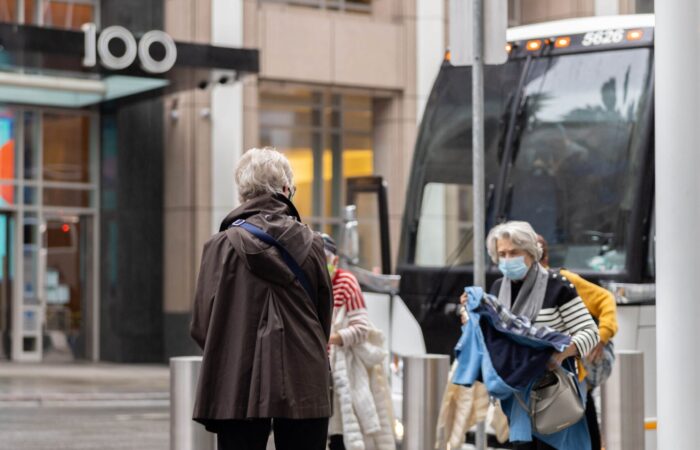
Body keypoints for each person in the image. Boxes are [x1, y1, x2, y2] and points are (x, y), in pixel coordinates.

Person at [190, 147, 334, 450]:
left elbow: (203, 324)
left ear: (244, 194)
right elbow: (323, 318)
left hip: (237, 377)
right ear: (285, 190)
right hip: (304, 375)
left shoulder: (219, 247)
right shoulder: (313, 245)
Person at [482, 221, 600, 450]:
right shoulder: (497, 289)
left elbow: (590, 332)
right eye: (502, 254)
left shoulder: (558, 286)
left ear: (530, 252)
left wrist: (562, 352)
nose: (507, 259)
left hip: (553, 393)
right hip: (518, 397)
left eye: (514, 252)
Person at [537, 234, 618, 450]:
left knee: (582, 427)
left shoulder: (563, 281)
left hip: (572, 373)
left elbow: (605, 299)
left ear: (542, 258)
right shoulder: (512, 288)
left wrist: (601, 335)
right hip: (540, 380)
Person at [322, 233, 371, 450]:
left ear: (334, 260)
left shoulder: (346, 282)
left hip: (340, 369)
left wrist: (332, 338)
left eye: (324, 258)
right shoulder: (305, 282)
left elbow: (362, 328)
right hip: (315, 370)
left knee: (341, 433)